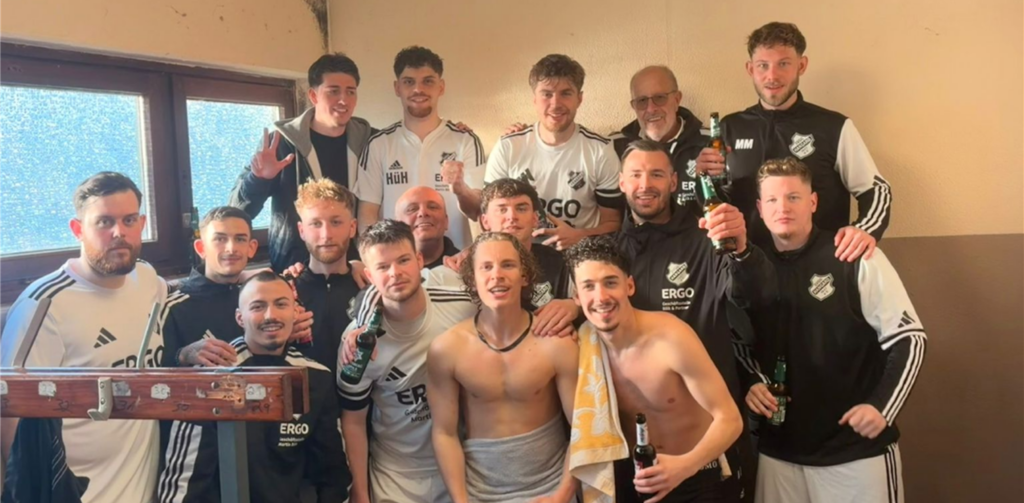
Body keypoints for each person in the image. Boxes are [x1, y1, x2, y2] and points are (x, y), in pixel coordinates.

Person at [734, 157, 926, 503]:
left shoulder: (852, 254)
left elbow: (910, 339)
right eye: (773, 199)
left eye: (793, 197)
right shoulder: (750, 266)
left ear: (813, 202)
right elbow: (737, 339)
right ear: (760, 209)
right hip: (779, 454)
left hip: (855, 452)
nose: (783, 207)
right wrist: (750, 381)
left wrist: (883, 407)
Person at [0, 172, 168, 503]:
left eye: (129, 220)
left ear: (142, 224)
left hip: (144, 489)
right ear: (78, 229)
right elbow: (11, 420)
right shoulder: (44, 306)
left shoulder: (149, 281)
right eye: (104, 222)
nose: (119, 232)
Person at [566, 236, 744, 502]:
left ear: (629, 285)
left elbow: (730, 419)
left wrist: (685, 466)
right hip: (635, 478)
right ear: (576, 297)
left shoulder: (670, 338)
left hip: (697, 473)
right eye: (588, 286)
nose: (600, 297)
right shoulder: (582, 347)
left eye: (610, 282)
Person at [695, 22, 892, 262]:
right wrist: (702, 178)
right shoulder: (730, 128)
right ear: (750, 69)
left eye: (783, 64)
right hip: (748, 269)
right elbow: (718, 205)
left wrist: (865, 230)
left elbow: (876, 189)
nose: (772, 76)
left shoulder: (834, 127)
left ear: (802, 65)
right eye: (763, 65)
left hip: (821, 271)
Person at [158, 272, 351, 503]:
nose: (271, 315)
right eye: (258, 307)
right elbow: (184, 484)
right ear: (240, 318)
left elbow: (332, 473)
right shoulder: (209, 379)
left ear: (295, 312)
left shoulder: (316, 378)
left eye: (281, 304)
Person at [615, 140, 775, 399]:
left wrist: (742, 250)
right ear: (622, 182)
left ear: (674, 182)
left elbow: (758, 297)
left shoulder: (708, 236)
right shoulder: (611, 253)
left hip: (710, 404)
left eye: (657, 174)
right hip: (642, 403)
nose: (645, 185)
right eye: (636, 175)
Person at [427, 233, 579, 503]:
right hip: (478, 493)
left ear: (525, 276)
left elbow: (583, 426)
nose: (497, 275)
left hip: (553, 486)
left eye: (507, 265)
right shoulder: (446, 349)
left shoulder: (558, 343)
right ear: (472, 279)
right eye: (486, 267)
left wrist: (562, 496)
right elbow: (444, 433)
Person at [337, 220, 476, 503]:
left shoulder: (463, 305)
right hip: (395, 474)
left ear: (419, 261)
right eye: (382, 267)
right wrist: (360, 492)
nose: (395, 273)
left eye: (403, 260)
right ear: (369, 275)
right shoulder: (357, 344)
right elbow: (353, 422)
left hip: (462, 465)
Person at [230, 53, 374, 272]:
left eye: (350, 91)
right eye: (333, 91)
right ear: (313, 95)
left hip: (355, 271)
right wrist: (258, 179)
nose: (343, 100)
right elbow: (237, 212)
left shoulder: (371, 141)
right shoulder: (280, 144)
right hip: (295, 271)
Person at [484, 54, 623, 250]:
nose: (556, 104)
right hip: (519, 256)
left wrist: (579, 237)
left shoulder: (600, 151)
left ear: (579, 99)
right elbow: (489, 217)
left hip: (578, 256)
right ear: (534, 99)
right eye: (547, 94)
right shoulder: (508, 146)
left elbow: (613, 223)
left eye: (566, 93)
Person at [355, 46, 484, 249]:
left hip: (454, 260)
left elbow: (478, 211)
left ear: (441, 87)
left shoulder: (465, 140)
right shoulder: (379, 144)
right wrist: (373, 257)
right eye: (409, 82)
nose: (418, 89)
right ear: (397, 88)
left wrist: (461, 189)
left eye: (428, 81)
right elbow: (367, 213)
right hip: (396, 261)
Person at [162, 206, 314, 369]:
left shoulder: (266, 295)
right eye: (220, 239)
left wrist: (283, 337)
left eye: (240, 239)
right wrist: (183, 356)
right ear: (201, 248)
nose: (231, 248)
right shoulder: (174, 308)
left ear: (251, 248)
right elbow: (154, 371)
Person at [612, 65, 709, 212]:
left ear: (677, 99)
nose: (651, 109)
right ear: (634, 106)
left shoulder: (709, 143)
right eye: (642, 101)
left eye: (660, 98)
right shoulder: (615, 147)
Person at [290, 178, 362, 374]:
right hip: (303, 393)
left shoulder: (369, 286)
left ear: (352, 227)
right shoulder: (285, 292)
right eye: (315, 223)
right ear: (302, 231)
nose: (326, 234)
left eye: (336, 222)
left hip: (362, 393)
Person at [394, 186, 461, 270]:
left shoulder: (468, 267)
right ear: (397, 225)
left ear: (446, 221)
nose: (423, 212)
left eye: (432, 207)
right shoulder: (386, 271)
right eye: (412, 209)